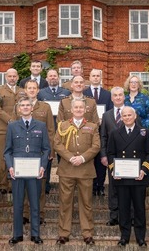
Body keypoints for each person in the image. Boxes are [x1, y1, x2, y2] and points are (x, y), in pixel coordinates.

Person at [4, 97, 51, 246]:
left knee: (35, 204)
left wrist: (43, 166)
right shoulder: (12, 126)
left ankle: (35, 234)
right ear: (18, 109)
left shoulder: (41, 126)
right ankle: (17, 234)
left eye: (27, 105)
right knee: (17, 204)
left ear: (32, 108)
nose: (25, 107)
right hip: (17, 172)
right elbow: (7, 151)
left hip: (35, 172)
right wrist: (10, 167)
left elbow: (46, 149)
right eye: (22, 105)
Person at [107, 106, 149, 247]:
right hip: (122, 178)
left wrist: (144, 170)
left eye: (130, 115)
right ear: (121, 118)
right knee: (123, 209)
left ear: (135, 116)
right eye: (125, 115)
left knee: (139, 208)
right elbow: (111, 154)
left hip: (138, 177)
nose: (127, 117)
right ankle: (124, 237)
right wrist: (114, 170)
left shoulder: (144, 132)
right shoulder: (115, 133)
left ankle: (141, 237)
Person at [54, 98, 100, 245]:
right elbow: (57, 144)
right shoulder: (62, 125)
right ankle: (63, 233)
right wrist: (70, 157)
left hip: (85, 170)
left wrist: (82, 158)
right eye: (76, 107)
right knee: (65, 202)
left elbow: (96, 146)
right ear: (72, 110)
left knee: (86, 203)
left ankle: (87, 233)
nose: (79, 109)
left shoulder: (92, 126)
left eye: (81, 107)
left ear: (85, 110)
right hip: (67, 170)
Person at [12, 80, 54, 225]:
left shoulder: (45, 107)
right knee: (22, 185)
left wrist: (51, 151)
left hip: (39, 153)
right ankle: (25, 213)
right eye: (29, 88)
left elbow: (50, 130)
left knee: (40, 185)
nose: (31, 90)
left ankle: (40, 214)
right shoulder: (19, 106)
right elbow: (14, 128)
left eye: (34, 88)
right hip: (22, 153)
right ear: (25, 89)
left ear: (38, 90)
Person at [0, 68, 26, 194]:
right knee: (3, 157)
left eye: (14, 76)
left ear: (17, 77)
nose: (12, 78)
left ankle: (14, 183)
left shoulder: (23, 91)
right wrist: (11, 121)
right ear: (6, 77)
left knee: (16, 156)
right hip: (3, 129)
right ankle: (2, 184)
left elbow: (26, 107)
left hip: (20, 130)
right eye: (9, 76)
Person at [37, 68, 70, 194]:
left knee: (64, 157)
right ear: (46, 79)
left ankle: (65, 184)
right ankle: (46, 184)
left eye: (55, 76)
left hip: (63, 130)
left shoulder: (66, 92)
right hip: (47, 129)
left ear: (58, 78)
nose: (52, 78)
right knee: (48, 156)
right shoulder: (41, 93)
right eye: (50, 76)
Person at [83, 69, 113, 196]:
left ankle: (100, 185)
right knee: (90, 158)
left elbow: (110, 110)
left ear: (101, 77)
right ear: (89, 77)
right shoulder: (84, 93)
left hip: (103, 129)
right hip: (88, 129)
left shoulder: (107, 94)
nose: (95, 78)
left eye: (98, 76)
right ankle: (91, 185)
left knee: (101, 158)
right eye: (93, 76)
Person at [100, 86, 125, 226]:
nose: (117, 97)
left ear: (124, 96)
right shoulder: (107, 115)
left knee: (128, 187)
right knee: (113, 187)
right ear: (111, 98)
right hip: (112, 157)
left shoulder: (131, 113)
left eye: (120, 95)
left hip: (129, 158)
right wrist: (103, 155)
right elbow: (103, 136)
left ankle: (129, 216)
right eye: (115, 95)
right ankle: (114, 216)